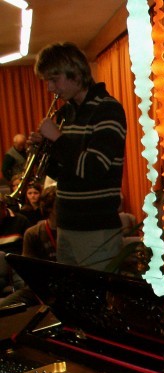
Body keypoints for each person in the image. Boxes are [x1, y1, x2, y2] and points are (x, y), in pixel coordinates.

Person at [28, 42, 126, 271]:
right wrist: (43, 152)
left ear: (76, 73)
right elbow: (66, 173)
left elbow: (93, 169)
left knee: (98, 293)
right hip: (66, 224)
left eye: (54, 79)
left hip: (96, 228)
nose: (50, 88)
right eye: (47, 81)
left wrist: (57, 139)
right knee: (70, 292)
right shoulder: (66, 112)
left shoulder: (107, 109)